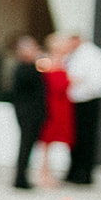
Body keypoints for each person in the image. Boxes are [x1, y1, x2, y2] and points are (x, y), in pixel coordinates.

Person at [64, 32, 101, 186]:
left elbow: (97, 82)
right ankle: (75, 170)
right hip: (77, 100)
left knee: (87, 138)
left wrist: (80, 85)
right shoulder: (75, 55)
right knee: (75, 137)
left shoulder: (93, 55)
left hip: (88, 100)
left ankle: (84, 173)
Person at [37, 34, 75, 188]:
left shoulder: (66, 62)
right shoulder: (46, 62)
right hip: (52, 106)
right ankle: (43, 174)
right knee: (46, 142)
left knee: (52, 143)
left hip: (62, 105)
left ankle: (48, 174)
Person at [8, 35, 45, 189]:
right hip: (27, 113)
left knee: (28, 146)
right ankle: (20, 178)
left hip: (31, 112)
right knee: (25, 145)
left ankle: (22, 177)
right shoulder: (24, 68)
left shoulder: (30, 67)